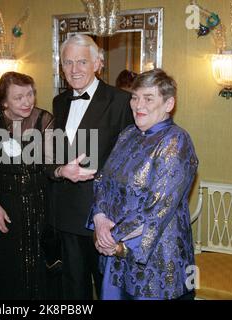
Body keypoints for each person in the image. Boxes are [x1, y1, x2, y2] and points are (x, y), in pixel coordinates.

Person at [88, 68, 198, 300]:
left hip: (157, 263)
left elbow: (157, 207)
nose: (139, 105)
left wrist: (112, 239)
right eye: (135, 97)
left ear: (168, 104)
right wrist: (99, 220)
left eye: (149, 98)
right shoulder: (128, 134)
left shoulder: (176, 140)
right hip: (116, 255)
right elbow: (102, 180)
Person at [51, 34, 134, 300]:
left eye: (82, 62)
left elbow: (128, 162)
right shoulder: (59, 102)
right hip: (67, 210)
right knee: (73, 287)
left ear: (98, 64)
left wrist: (111, 213)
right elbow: (55, 151)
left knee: (107, 287)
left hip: (104, 215)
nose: (74, 69)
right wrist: (60, 169)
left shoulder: (121, 101)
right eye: (68, 63)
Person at [0, 72, 55, 299]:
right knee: (11, 260)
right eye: (18, 97)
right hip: (8, 202)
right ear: (4, 101)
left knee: (41, 258)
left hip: (41, 198)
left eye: (30, 94)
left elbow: (51, 161)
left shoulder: (44, 119)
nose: (27, 101)